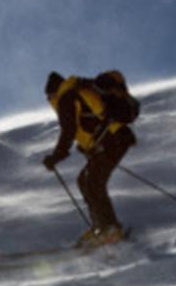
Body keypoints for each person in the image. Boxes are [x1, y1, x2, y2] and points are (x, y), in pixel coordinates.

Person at [42, 69, 138, 246]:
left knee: (93, 182)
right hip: (114, 140)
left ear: (51, 94)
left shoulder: (66, 98)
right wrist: (88, 147)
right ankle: (100, 227)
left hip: (113, 140)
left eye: (48, 98)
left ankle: (110, 229)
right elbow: (87, 124)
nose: (49, 102)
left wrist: (56, 157)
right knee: (84, 180)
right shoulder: (76, 92)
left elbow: (68, 131)